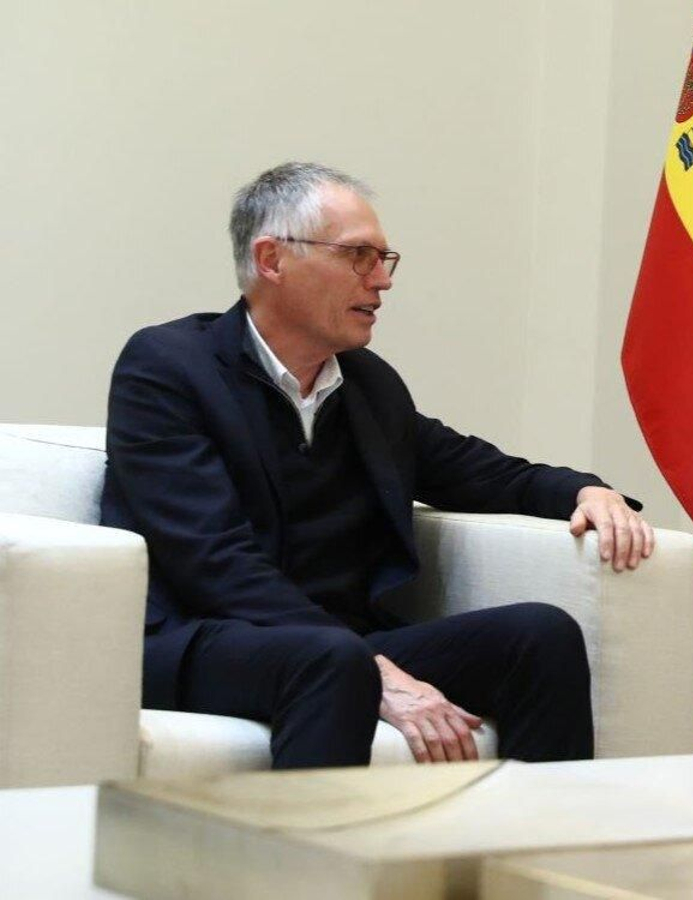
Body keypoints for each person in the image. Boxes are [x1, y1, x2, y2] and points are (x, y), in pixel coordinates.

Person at [102, 162, 654, 769]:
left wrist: (584, 491)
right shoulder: (167, 368)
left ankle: (530, 851)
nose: (381, 282)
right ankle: (305, 865)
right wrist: (372, 667)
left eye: (384, 260)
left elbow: (474, 469)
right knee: (331, 660)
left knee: (540, 636)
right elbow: (212, 561)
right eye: (360, 256)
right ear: (272, 259)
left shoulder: (367, 385)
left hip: (340, 645)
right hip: (201, 638)